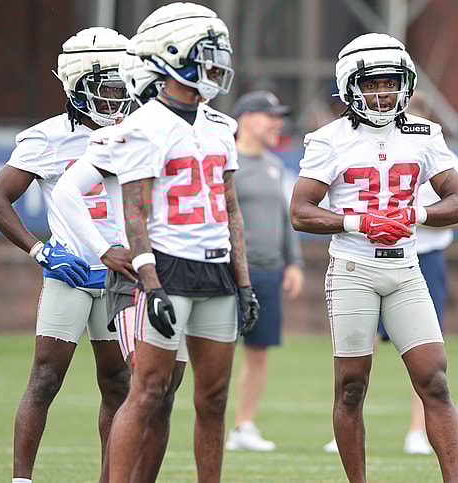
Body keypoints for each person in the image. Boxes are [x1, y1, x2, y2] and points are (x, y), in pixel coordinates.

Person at [290, 33, 458, 483]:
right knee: (351, 388)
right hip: (353, 269)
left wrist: (415, 212)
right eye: (373, 84)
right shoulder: (329, 139)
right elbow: (300, 211)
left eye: (391, 83)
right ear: (351, 85)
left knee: (436, 381)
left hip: (406, 269)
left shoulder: (425, 133)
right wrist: (358, 222)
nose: (384, 93)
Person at [104, 4, 259, 482]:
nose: (216, 65)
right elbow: (135, 213)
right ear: (172, 54)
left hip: (216, 273)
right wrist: (150, 283)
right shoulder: (142, 125)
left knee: (213, 398)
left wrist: (245, 284)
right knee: (148, 391)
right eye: (206, 55)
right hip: (168, 268)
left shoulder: (222, 126)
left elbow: (230, 208)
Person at [0, 27, 134, 483]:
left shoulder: (136, 131)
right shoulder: (47, 137)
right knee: (46, 379)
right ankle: (21, 480)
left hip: (118, 273)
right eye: (108, 89)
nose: (118, 99)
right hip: (69, 272)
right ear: (79, 85)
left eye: (123, 87)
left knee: (118, 385)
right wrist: (39, 250)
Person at [52, 45, 187, 482]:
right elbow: (67, 191)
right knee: (143, 387)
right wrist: (104, 249)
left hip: (183, 271)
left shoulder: (201, 131)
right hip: (135, 275)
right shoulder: (125, 134)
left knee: (164, 393)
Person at [323, 92, 458, 456]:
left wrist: (413, 217)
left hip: (419, 259)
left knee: (427, 362)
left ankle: (417, 430)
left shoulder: (434, 147)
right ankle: (348, 427)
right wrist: (367, 222)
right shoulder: (348, 143)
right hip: (361, 260)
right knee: (357, 364)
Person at [225, 90, 305, 452]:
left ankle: (244, 426)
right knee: (217, 351)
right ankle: (214, 420)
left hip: (270, 273)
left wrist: (294, 262)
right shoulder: (226, 162)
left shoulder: (276, 166)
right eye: (270, 116)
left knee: (258, 352)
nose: (277, 123)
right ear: (247, 119)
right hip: (228, 273)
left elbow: (286, 219)